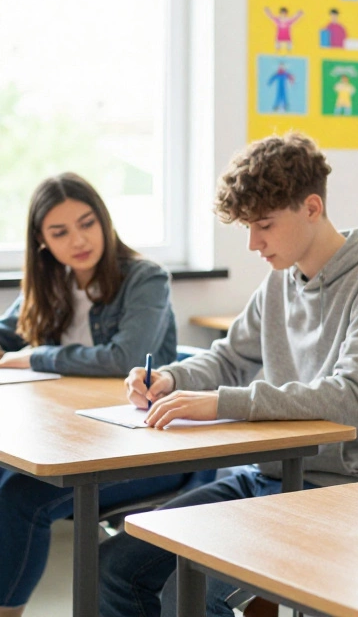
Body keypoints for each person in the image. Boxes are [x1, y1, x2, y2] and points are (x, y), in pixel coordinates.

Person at [98, 133, 358, 617]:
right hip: (270, 477)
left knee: (186, 590)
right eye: (248, 227)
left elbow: (350, 398)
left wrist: (221, 403)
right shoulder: (281, 278)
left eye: (264, 225)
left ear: (312, 208)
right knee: (115, 565)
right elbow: (230, 357)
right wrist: (171, 379)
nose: (253, 243)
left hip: (347, 489)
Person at [0, 174, 180, 617]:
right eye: (59, 232)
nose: (78, 241)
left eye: (86, 223)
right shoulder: (50, 281)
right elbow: (7, 337)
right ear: (41, 241)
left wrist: (38, 356)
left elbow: (124, 357)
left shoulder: (145, 278)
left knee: (19, 497)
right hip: (73, 437)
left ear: (104, 220)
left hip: (149, 448)